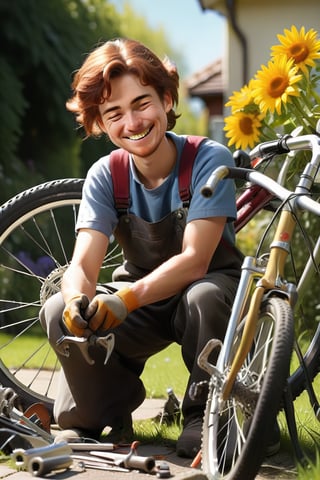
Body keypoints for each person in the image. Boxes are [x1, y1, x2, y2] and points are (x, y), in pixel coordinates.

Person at [40, 37, 243, 458]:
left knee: (204, 295)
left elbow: (195, 261)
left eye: (142, 103)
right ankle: (102, 417)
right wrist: (79, 298)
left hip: (207, 294)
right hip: (141, 303)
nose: (132, 122)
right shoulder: (106, 175)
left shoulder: (209, 159)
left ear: (167, 99)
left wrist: (127, 299)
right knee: (58, 309)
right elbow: (83, 261)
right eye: (114, 113)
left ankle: (208, 416)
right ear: (99, 124)